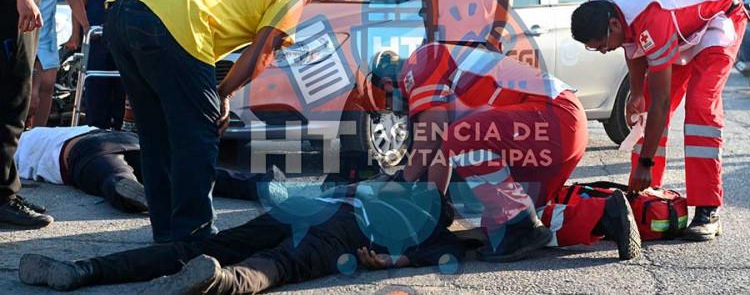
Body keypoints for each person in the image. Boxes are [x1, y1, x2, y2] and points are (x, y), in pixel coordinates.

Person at [104, 0, 313, 243]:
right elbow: (262, 55)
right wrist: (222, 93)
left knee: (156, 135)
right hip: (174, 20)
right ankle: (194, 234)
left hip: (121, 12)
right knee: (200, 134)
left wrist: (219, 91)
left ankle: (166, 234)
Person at [396, 43, 641, 262]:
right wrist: (433, 207)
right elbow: (442, 151)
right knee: (505, 229)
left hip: (553, 117)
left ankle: (519, 219)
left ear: (388, 84)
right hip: (562, 124)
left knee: (463, 140)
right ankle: (608, 214)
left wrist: (401, 182)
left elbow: (434, 133)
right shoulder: (445, 75)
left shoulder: (419, 62)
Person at [18, 176, 465, 294]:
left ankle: (83, 270)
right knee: (277, 265)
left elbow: (454, 246)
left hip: (319, 212)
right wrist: (391, 261)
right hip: (342, 227)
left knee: (209, 246)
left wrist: (391, 262)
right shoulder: (429, 220)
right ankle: (215, 282)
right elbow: (458, 245)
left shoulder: (409, 203)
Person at [571, 0, 748, 241]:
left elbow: (663, 103)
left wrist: (646, 162)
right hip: (680, 26)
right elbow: (631, 42)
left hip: (719, 18)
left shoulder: (651, 16)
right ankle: (644, 197)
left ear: (613, 24)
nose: (604, 51)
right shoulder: (603, 7)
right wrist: (637, 91)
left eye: (603, 44)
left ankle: (707, 209)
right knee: (646, 104)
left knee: (700, 107)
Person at [0, 0, 80, 228]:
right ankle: (3, 197)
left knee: (11, 102)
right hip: (10, 14)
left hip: (18, 15)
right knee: (11, 104)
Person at [13, 126, 288, 213]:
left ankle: (128, 188)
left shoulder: (13, 149)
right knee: (185, 170)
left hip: (79, 153)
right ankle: (259, 183)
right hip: (114, 136)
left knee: (112, 177)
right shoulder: (36, 131)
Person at [27, 0, 89, 128]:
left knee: (47, 89)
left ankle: (38, 135)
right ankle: (19, 138)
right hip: (25, 34)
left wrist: (85, 26)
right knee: (29, 96)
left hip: (47, 37)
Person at [76, 0, 124, 129]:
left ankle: (120, 129)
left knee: (122, 85)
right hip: (97, 40)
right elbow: (78, 5)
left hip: (123, 40)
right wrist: (77, 33)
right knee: (96, 86)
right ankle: (96, 130)